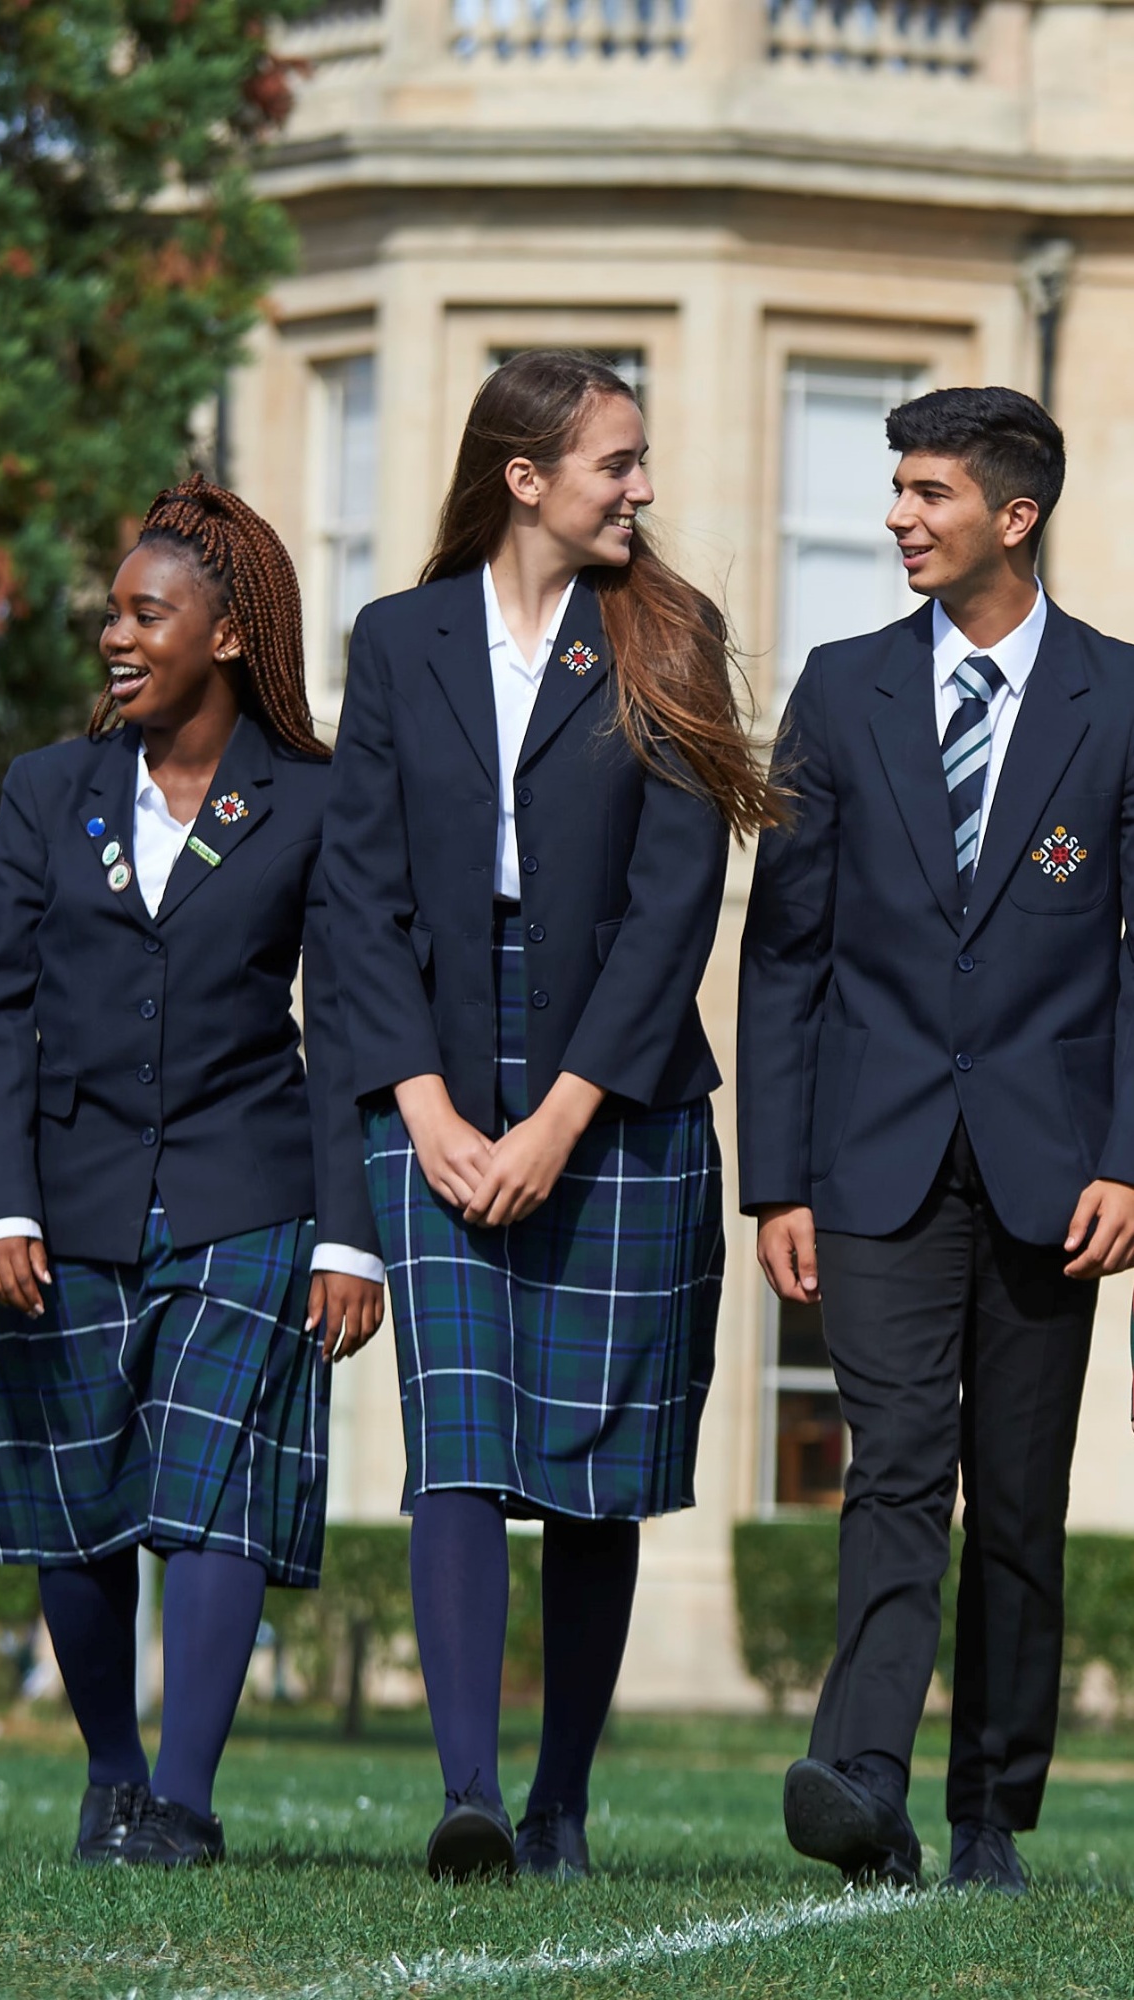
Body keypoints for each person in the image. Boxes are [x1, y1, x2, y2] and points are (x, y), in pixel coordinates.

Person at [323, 350, 779, 1882]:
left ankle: (559, 1805)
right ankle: (466, 1799)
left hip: (621, 1083)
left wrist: (560, 1115)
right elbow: (356, 895)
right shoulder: (395, 641)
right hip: (435, 1073)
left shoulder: (667, 634)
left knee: (594, 1460)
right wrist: (424, 1107)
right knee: (454, 1432)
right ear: (523, 479)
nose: (639, 489)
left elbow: (673, 905)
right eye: (614, 463)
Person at [0, 474, 385, 1867]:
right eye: (110, 616)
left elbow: (354, 1019)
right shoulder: (45, 790)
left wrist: (347, 1235)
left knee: (208, 1491)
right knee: (74, 1507)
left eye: (148, 613)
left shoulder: (313, 802)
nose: (114, 639)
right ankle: (114, 1776)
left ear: (229, 636)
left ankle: (184, 1806)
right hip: (60, 1202)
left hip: (246, 1192)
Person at [739, 385, 1134, 1896]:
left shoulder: (1117, 699)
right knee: (895, 1459)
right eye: (893, 490)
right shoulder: (838, 695)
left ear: (1010, 517)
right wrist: (775, 1176)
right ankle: (859, 1778)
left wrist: (1122, 1156)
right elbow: (782, 952)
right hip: (873, 1157)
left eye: (927, 494)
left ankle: (988, 1820)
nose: (897, 517)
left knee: (1018, 1500)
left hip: (1055, 1170)